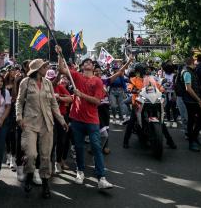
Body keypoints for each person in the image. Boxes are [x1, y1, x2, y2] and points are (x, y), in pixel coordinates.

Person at [56, 46, 113, 190]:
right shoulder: (76, 76)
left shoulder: (98, 82)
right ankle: (80, 171)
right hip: (76, 119)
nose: (88, 63)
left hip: (92, 120)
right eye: (85, 62)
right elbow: (62, 69)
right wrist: (60, 53)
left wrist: (81, 95)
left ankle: (101, 177)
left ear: (93, 67)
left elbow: (97, 101)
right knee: (79, 147)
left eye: (90, 62)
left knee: (96, 147)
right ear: (82, 67)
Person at [16, 60, 67, 198]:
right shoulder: (25, 82)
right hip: (29, 122)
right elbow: (19, 101)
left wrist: (61, 120)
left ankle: (45, 184)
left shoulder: (48, 83)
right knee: (31, 154)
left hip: (47, 123)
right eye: (45, 67)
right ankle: (29, 175)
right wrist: (19, 117)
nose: (47, 68)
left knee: (45, 155)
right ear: (38, 69)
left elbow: (53, 104)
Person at [123, 62, 176, 150]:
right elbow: (130, 87)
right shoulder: (134, 79)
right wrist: (132, 90)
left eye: (145, 70)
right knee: (132, 121)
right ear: (138, 71)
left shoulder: (150, 79)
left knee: (161, 122)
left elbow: (158, 86)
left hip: (151, 101)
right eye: (143, 70)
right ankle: (125, 141)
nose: (145, 71)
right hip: (138, 103)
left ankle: (170, 141)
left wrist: (163, 89)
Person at [180, 57, 201, 152]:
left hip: (192, 100)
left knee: (200, 119)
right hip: (191, 101)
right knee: (192, 121)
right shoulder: (187, 72)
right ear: (192, 62)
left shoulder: (190, 71)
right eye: (195, 62)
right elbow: (188, 89)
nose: (196, 64)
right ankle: (192, 142)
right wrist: (199, 100)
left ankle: (194, 137)